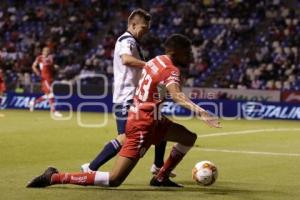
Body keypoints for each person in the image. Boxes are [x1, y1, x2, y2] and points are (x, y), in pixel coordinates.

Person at [27, 34, 221, 188]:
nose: (190, 57)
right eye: (187, 53)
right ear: (177, 51)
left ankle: (160, 178)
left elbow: (157, 87)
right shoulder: (171, 70)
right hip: (142, 125)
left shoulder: (155, 61)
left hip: (151, 118)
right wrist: (202, 112)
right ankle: (54, 177)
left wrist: (159, 100)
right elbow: (177, 95)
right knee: (114, 179)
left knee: (188, 137)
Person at [80, 8, 175, 177]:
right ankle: (91, 168)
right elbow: (126, 59)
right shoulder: (126, 40)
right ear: (133, 24)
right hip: (126, 98)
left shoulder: (135, 43)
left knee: (161, 126)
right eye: (143, 28)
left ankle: (158, 166)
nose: (145, 31)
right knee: (124, 138)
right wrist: (150, 65)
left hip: (137, 98)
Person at [29, 47, 62, 117]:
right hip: (44, 78)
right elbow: (33, 66)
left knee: (48, 95)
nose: (47, 52)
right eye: (46, 51)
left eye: (48, 51)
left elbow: (52, 67)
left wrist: (56, 67)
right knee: (51, 94)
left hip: (50, 78)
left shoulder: (50, 58)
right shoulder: (39, 58)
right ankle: (54, 111)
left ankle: (33, 103)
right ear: (43, 51)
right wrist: (38, 73)